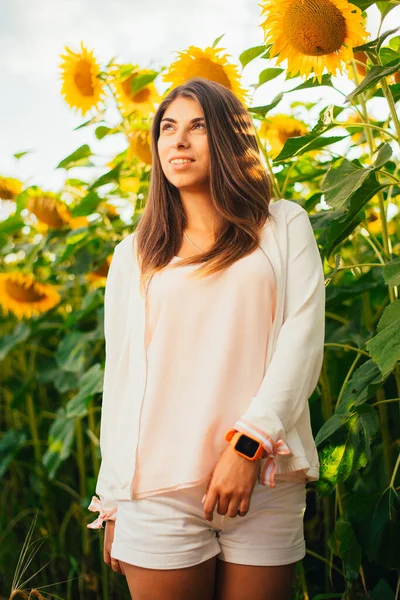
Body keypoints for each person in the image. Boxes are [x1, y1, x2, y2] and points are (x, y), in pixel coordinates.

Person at [86, 76, 326, 600]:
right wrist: (111, 497)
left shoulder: (283, 226)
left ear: (228, 140)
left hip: (262, 477)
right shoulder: (135, 253)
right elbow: (123, 377)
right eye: (168, 128)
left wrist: (248, 445)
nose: (179, 140)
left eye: (198, 127)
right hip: (157, 489)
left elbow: (301, 341)